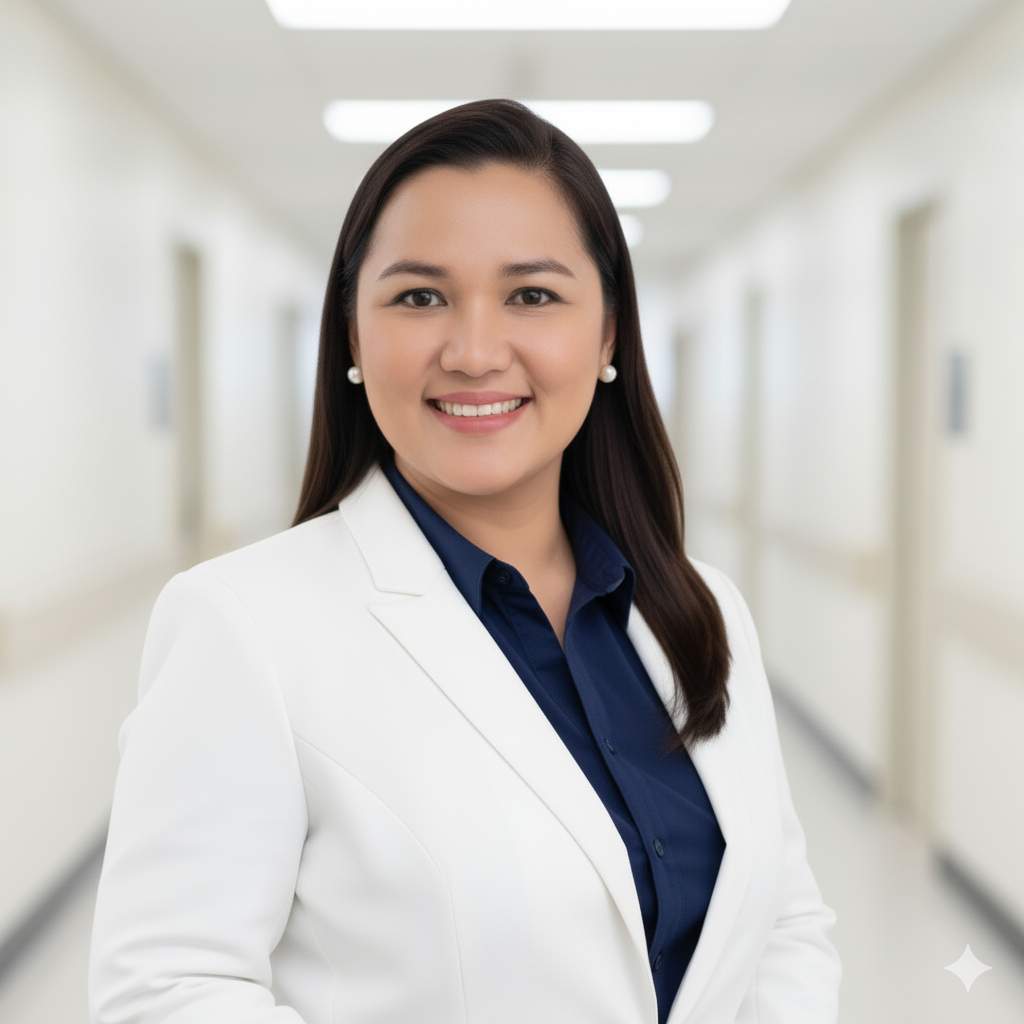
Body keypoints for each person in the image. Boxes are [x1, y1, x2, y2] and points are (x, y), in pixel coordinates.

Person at [89, 99, 840, 1024]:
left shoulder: (700, 610)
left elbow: (782, 924)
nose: (475, 351)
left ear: (607, 335)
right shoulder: (244, 625)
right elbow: (167, 989)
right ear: (354, 338)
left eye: (533, 295)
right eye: (419, 297)